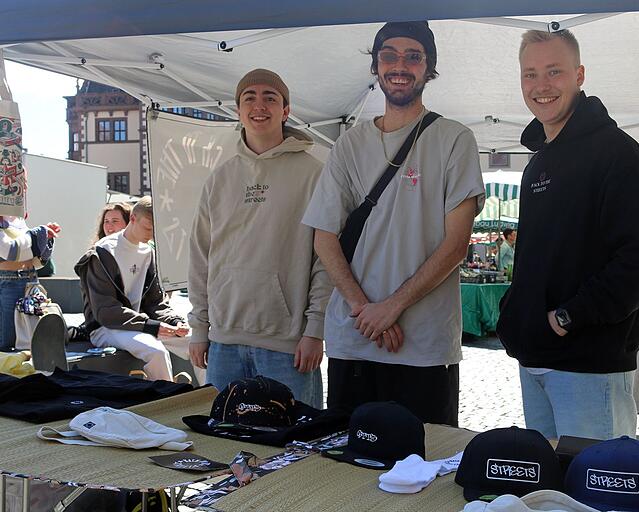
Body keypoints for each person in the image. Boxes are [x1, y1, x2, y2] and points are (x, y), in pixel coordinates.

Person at [302, 21, 485, 425]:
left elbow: (456, 246)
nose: (399, 66)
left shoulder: (455, 140)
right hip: (354, 340)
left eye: (413, 56)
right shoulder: (350, 143)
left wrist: (392, 308)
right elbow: (324, 237)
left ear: (429, 67)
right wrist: (364, 308)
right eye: (389, 55)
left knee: (423, 470)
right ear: (375, 65)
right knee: (349, 471)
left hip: (424, 345)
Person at [496, 29, 639, 440]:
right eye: (530, 74)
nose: (541, 86)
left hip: (591, 368)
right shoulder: (537, 164)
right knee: (552, 496)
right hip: (534, 361)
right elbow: (536, 260)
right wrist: (515, 316)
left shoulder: (619, 154)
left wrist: (566, 318)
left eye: (554, 72)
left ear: (580, 75)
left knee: (597, 496)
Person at [187, 69, 330, 407]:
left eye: (270, 97)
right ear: (238, 111)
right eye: (249, 98)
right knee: (223, 445)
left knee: (294, 451)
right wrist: (199, 329)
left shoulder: (315, 174)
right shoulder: (219, 178)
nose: (259, 105)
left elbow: (326, 259)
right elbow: (201, 258)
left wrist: (315, 330)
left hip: (288, 345)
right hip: (223, 344)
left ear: (286, 110)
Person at [75, 196, 188, 381]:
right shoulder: (102, 252)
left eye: (155, 229)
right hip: (105, 328)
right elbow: (105, 311)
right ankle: (168, 405)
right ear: (133, 218)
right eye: (148, 227)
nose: (151, 234)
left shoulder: (149, 253)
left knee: (197, 341)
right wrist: (151, 326)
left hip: (140, 324)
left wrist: (175, 322)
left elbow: (155, 303)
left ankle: (214, 401)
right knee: (156, 351)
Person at [0, 216, 60, 351]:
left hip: (28, 278)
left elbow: (33, 260)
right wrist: (39, 233)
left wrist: (46, 238)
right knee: (8, 342)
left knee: (26, 339)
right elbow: (10, 251)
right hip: (9, 281)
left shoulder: (17, 219)